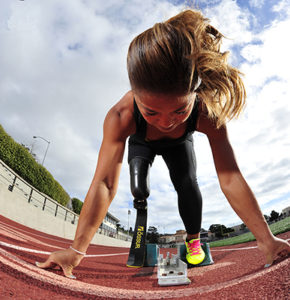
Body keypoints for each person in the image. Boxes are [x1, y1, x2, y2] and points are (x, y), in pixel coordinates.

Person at [36, 9, 290, 278]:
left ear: (195, 94)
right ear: (135, 94)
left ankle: (193, 239)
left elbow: (230, 177)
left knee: (187, 183)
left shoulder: (206, 113)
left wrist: (267, 239)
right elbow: (105, 183)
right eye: (152, 112)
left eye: (179, 111)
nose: (166, 122)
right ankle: (141, 204)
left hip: (180, 145)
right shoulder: (121, 116)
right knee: (138, 186)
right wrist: (76, 251)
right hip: (141, 141)